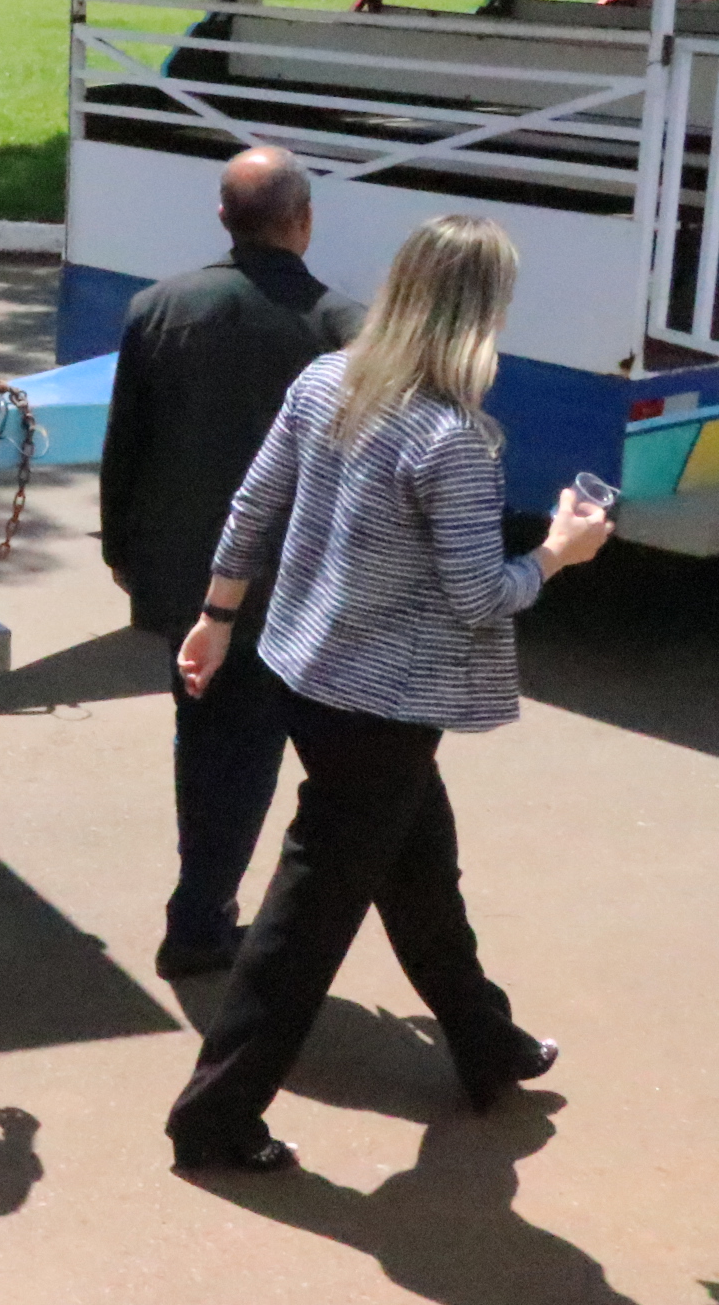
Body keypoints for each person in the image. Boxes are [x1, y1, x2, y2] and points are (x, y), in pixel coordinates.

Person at [165, 215, 609, 1173]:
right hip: (384, 707)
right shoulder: (453, 438)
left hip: (306, 672)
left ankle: (487, 1042)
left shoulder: (327, 382)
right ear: (480, 315)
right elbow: (480, 595)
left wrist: (216, 615)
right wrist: (558, 553)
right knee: (307, 921)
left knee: (419, 872)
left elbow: (253, 507)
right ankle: (213, 1116)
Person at [100, 145, 364, 981]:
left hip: (187, 577)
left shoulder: (158, 308)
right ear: (304, 220)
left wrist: (121, 551)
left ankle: (203, 906)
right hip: (295, 587)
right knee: (265, 757)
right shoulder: (346, 328)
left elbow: (125, 447)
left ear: (223, 218)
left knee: (206, 741)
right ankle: (201, 918)